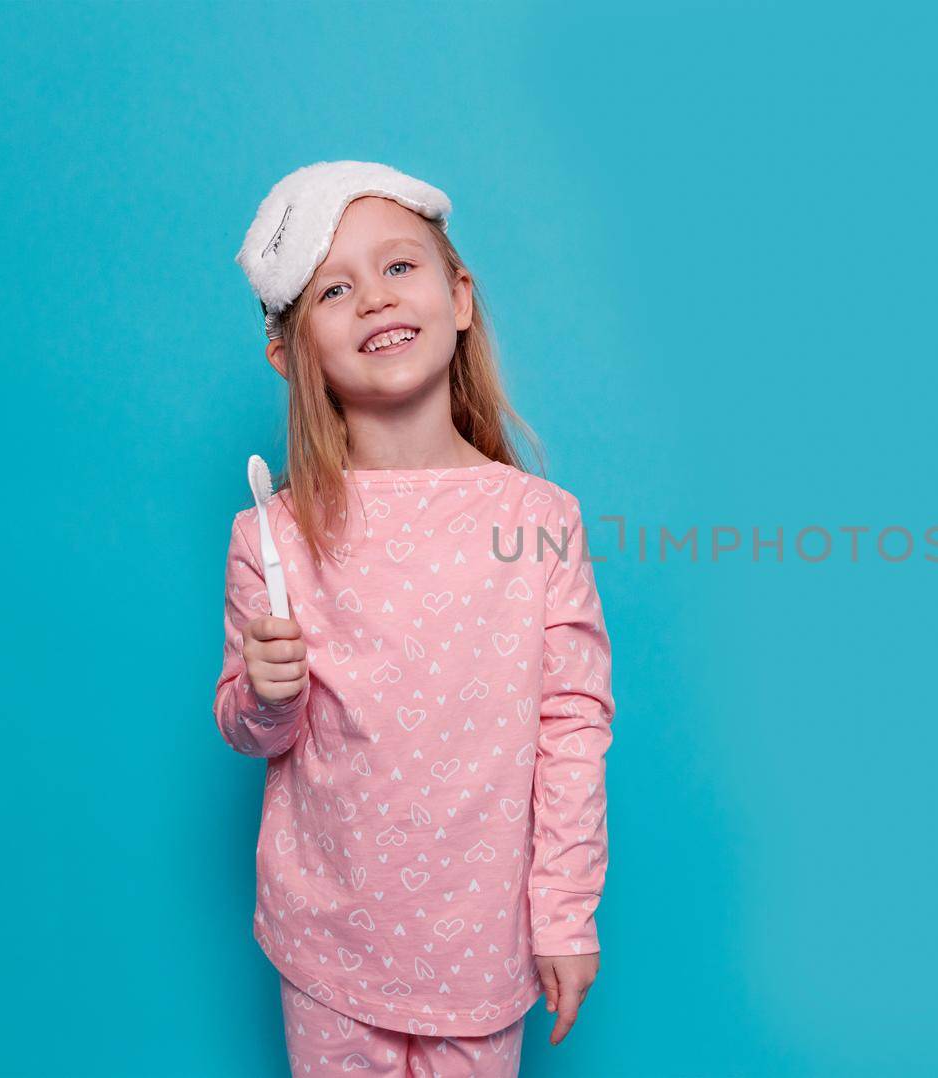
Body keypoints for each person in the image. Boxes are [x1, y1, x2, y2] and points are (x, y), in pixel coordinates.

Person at [213, 160, 615, 1077]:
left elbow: (572, 726)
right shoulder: (269, 536)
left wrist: (564, 910)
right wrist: (265, 694)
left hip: (476, 945)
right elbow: (251, 729)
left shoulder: (540, 522)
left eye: (400, 268)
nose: (374, 300)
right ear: (290, 351)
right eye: (335, 290)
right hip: (325, 941)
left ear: (459, 295)